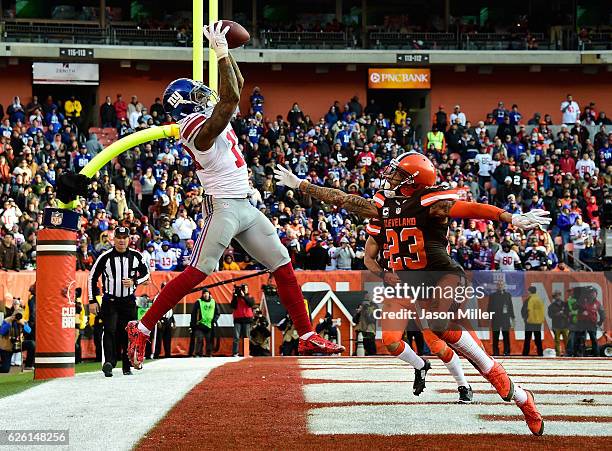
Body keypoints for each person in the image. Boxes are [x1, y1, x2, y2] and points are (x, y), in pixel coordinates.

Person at [275, 151, 549, 435]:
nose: (390, 176)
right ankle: (521, 397)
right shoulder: (384, 205)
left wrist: (511, 218)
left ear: (413, 180)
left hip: (443, 274)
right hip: (411, 283)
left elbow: (469, 208)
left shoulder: (428, 202)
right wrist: (300, 185)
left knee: (440, 326)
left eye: (398, 174)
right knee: (443, 338)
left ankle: (496, 382)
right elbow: (344, 199)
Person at [123, 22, 343, 368]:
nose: (202, 98)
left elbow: (235, 87)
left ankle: (306, 336)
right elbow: (229, 100)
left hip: (244, 205)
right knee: (200, 269)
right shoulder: (194, 129)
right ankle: (143, 326)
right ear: (183, 106)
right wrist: (221, 53)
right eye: (195, 96)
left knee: (283, 263)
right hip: (223, 207)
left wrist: (228, 51)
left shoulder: (204, 117)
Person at [88, 227, 150, 377]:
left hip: (128, 301)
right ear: (113, 239)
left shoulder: (136, 256)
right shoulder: (105, 257)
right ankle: (109, 362)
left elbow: (146, 274)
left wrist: (134, 281)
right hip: (110, 300)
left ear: (129, 239)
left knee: (128, 333)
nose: (122, 240)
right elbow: (92, 277)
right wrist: (92, 300)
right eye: (119, 237)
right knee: (109, 330)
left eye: (124, 237)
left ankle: (127, 366)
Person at [0, 306, 34, 372]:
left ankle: (28, 366)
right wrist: (10, 322)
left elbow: (29, 331)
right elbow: (2, 332)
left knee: (31, 344)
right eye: (17, 315)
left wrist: (24, 325)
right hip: (6, 347)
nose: (18, 317)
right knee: (5, 369)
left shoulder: (22, 321)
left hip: (17, 345)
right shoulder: (7, 320)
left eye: (20, 315)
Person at [488, 280, 514, 356]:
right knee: (495, 337)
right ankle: (496, 352)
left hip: (505, 319)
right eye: (499, 285)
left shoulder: (508, 295)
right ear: (497, 286)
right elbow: (489, 307)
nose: (500, 286)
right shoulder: (493, 295)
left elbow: (510, 307)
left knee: (506, 336)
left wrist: (513, 318)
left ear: (504, 286)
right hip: (496, 318)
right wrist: (489, 316)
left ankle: (507, 352)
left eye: (502, 284)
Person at [190, 288, 218, 357]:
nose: (205, 295)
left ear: (209, 294)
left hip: (209, 324)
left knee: (209, 340)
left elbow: (217, 313)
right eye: (204, 293)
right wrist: (192, 325)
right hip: (200, 324)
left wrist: (214, 320)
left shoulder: (213, 302)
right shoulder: (198, 302)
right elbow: (193, 314)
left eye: (207, 293)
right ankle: (198, 353)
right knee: (199, 338)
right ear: (202, 295)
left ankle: (209, 353)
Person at [231, 284, 254, 357]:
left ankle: (246, 353)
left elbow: (250, 304)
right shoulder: (236, 297)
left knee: (246, 337)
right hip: (238, 319)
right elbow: (233, 306)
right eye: (244, 288)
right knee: (236, 337)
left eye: (246, 288)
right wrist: (235, 296)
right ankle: (235, 353)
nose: (245, 289)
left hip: (247, 319)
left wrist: (243, 296)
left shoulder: (249, 297)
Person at [521, 287, 545, 356]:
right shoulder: (540, 299)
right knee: (538, 339)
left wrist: (526, 319)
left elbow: (525, 310)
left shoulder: (529, 300)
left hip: (530, 322)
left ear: (529, 291)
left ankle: (525, 354)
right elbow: (542, 310)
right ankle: (540, 353)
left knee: (527, 339)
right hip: (538, 323)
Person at [548, 290, 570, 357]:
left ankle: (567, 354)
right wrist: (558, 314)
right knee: (557, 341)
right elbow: (550, 315)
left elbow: (569, 313)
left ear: (560, 295)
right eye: (556, 296)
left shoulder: (565, 304)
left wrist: (564, 315)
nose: (557, 297)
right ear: (554, 297)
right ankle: (558, 354)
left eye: (558, 295)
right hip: (556, 326)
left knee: (566, 341)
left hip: (565, 326)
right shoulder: (551, 306)